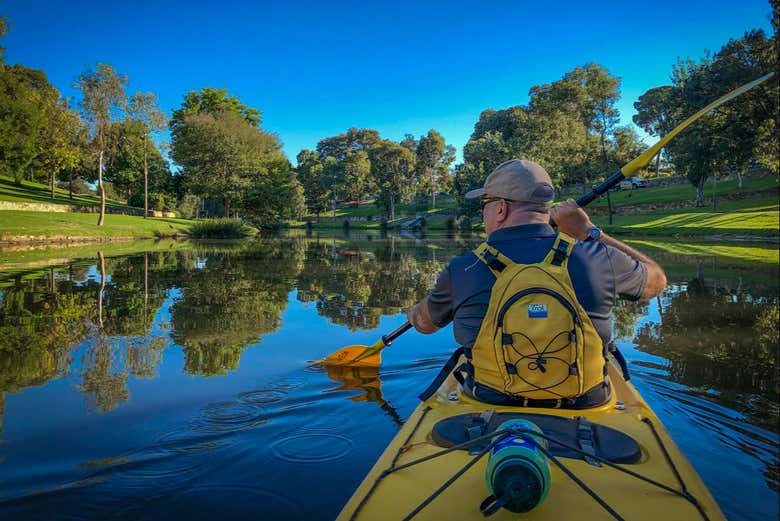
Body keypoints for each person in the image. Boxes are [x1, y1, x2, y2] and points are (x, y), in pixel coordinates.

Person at [407, 158, 666, 407]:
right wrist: (590, 233)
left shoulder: (464, 268)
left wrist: (414, 311)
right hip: (587, 405)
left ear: (500, 208)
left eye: (484, 203)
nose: (482, 211)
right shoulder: (600, 257)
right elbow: (657, 282)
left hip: (489, 402)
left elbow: (425, 324)